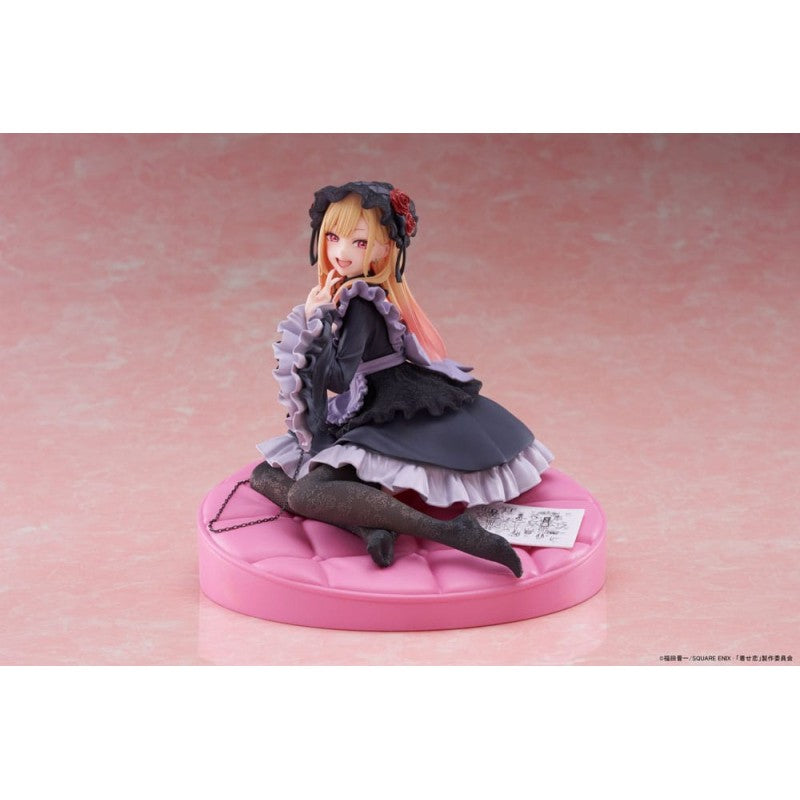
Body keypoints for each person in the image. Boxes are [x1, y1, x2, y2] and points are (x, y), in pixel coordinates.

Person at [250, 181, 553, 576]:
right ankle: (371, 526)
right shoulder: (350, 292)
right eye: (333, 238)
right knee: (264, 475)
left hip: (388, 406)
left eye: (359, 242)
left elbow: (339, 377)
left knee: (306, 493)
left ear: (383, 250)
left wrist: (316, 320)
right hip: (367, 400)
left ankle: (448, 531)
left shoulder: (360, 303)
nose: (341, 252)